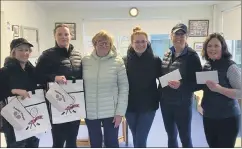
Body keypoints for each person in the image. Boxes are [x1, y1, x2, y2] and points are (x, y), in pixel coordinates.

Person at [35, 24, 82, 148]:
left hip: (74, 103)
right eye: (59, 34)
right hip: (56, 104)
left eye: (66, 34)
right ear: (54, 36)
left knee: (72, 140)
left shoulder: (77, 55)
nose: (63, 37)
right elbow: (37, 76)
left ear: (70, 36)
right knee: (58, 141)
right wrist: (53, 78)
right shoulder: (47, 55)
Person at [82, 30, 129, 148]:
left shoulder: (118, 61)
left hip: (111, 112)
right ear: (94, 44)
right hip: (91, 111)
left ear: (110, 45)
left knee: (112, 143)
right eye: (100, 42)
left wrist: (120, 112)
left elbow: (124, 87)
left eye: (107, 43)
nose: (104, 45)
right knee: (95, 143)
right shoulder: (86, 61)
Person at [159, 23, 202, 148]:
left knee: (185, 137)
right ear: (171, 36)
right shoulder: (167, 53)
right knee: (171, 136)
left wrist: (181, 85)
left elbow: (199, 82)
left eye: (182, 34)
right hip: (166, 103)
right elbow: (162, 75)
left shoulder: (192, 56)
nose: (178, 37)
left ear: (186, 36)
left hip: (182, 104)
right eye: (176, 34)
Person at [123, 27, 162, 147]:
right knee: (136, 135)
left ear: (147, 42)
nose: (140, 44)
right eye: (137, 42)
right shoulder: (124, 61)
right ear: (132, 43)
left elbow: (162, 80)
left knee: (141, 137)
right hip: (129, 106)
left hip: (148, 106)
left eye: (143, 41)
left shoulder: (155, 60)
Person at [200, 33, 241, 148]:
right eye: (209, 46)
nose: (212, 49)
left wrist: (220, 89)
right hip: (209, 116)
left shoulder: (231, 67)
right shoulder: (207, 66)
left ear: (223, 47)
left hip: (228, 118)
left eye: (216, 46)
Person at [0, 38, 40, 147]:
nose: (25, 53)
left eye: (27, 50)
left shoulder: (31, 70)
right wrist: (14, 91)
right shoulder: (5, 71)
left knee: (32, 144)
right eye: (21, 50)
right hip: (13, 119)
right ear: (13, 52)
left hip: (30, 116)